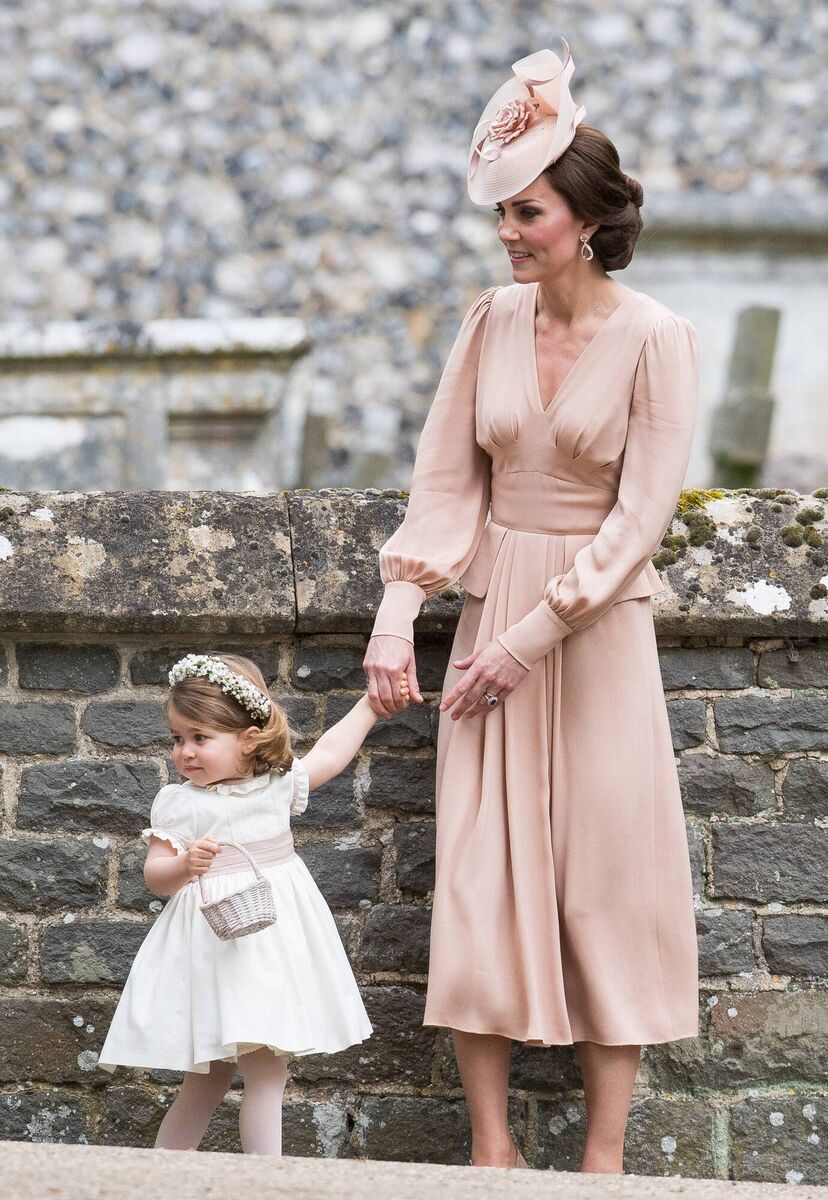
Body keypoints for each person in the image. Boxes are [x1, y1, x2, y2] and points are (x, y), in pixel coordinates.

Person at [363, 40, 700, 1174]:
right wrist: (397, 613)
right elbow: (445, 481)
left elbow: (640, 518)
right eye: (503, 212)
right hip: (490, 607)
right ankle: (492, 1152)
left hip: (593, 632)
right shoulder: (488, 322)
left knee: (611, 876)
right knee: (481, 871)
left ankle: (604, 1162)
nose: (509, 232)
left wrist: (531, 635)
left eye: (529, 212)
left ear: (588, 220)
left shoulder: (657, 338)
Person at [98, 652, 402, 1154]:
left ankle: (263, 1179)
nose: (185, 752)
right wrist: (183, 866)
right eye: (178, 738)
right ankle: (162, 1176)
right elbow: (156, 877)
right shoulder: (180, 802)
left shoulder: (278, 785)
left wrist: (371, 706)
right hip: (211, 953)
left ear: (248, 738)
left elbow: (330, 753)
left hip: (271, 947)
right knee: (206, 1081)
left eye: (200, 738)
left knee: (266, 1074)